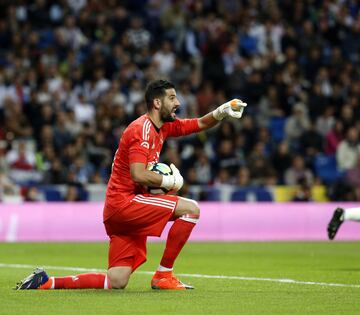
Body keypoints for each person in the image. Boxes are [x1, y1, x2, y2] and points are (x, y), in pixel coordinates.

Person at [16, 79, 247, 290]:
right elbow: (138, 175)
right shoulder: (142, 130)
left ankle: (47, 282)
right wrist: (169, 181)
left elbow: (196, 124)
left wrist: (221, 111)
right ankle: (163, 275)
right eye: (172, 97)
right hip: (125, 204)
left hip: (118, 210)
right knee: (191, 210)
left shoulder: (162, 127)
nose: (178, 102)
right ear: (157, 103)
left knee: (116, 280)